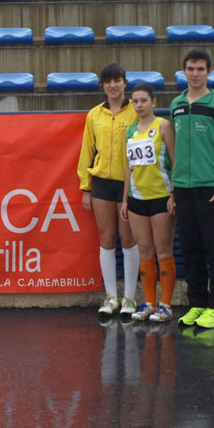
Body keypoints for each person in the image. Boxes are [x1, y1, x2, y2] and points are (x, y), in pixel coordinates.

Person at [171, 49, 214, 329]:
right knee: (191, 250)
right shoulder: (176, 105)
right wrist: (174, 190)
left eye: (200, 69)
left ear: (209, 72)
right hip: (183, 189)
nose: (195, 73)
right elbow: (171, 152)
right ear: (183, 72)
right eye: (190, 68)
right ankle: (197, 305)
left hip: (212, 190)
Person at [78, 63, 140, 318]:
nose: (113, 85)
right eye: (108, 81)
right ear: (102, 85)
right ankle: (111, 297)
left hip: (130, 183)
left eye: (117, 80)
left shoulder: (136, 112)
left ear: (125, 83)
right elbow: (87, 151)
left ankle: (130, 298)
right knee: (106, 239)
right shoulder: (94, 115)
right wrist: (85, 186)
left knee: (128, 239)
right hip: (102, 182)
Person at [119, 83, 177, 322]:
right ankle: (150, 302)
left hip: (161, 197)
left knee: (163, 250)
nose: (139, 105)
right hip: (136, 199)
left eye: (143, 100)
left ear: (153, 102)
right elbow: (128, 167)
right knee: (144, 250)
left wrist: (174, 194)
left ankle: (166, 304)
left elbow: (176, 161)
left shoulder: (163, 125)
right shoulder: (131, 130)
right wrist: (124, 200)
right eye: (135, 101)